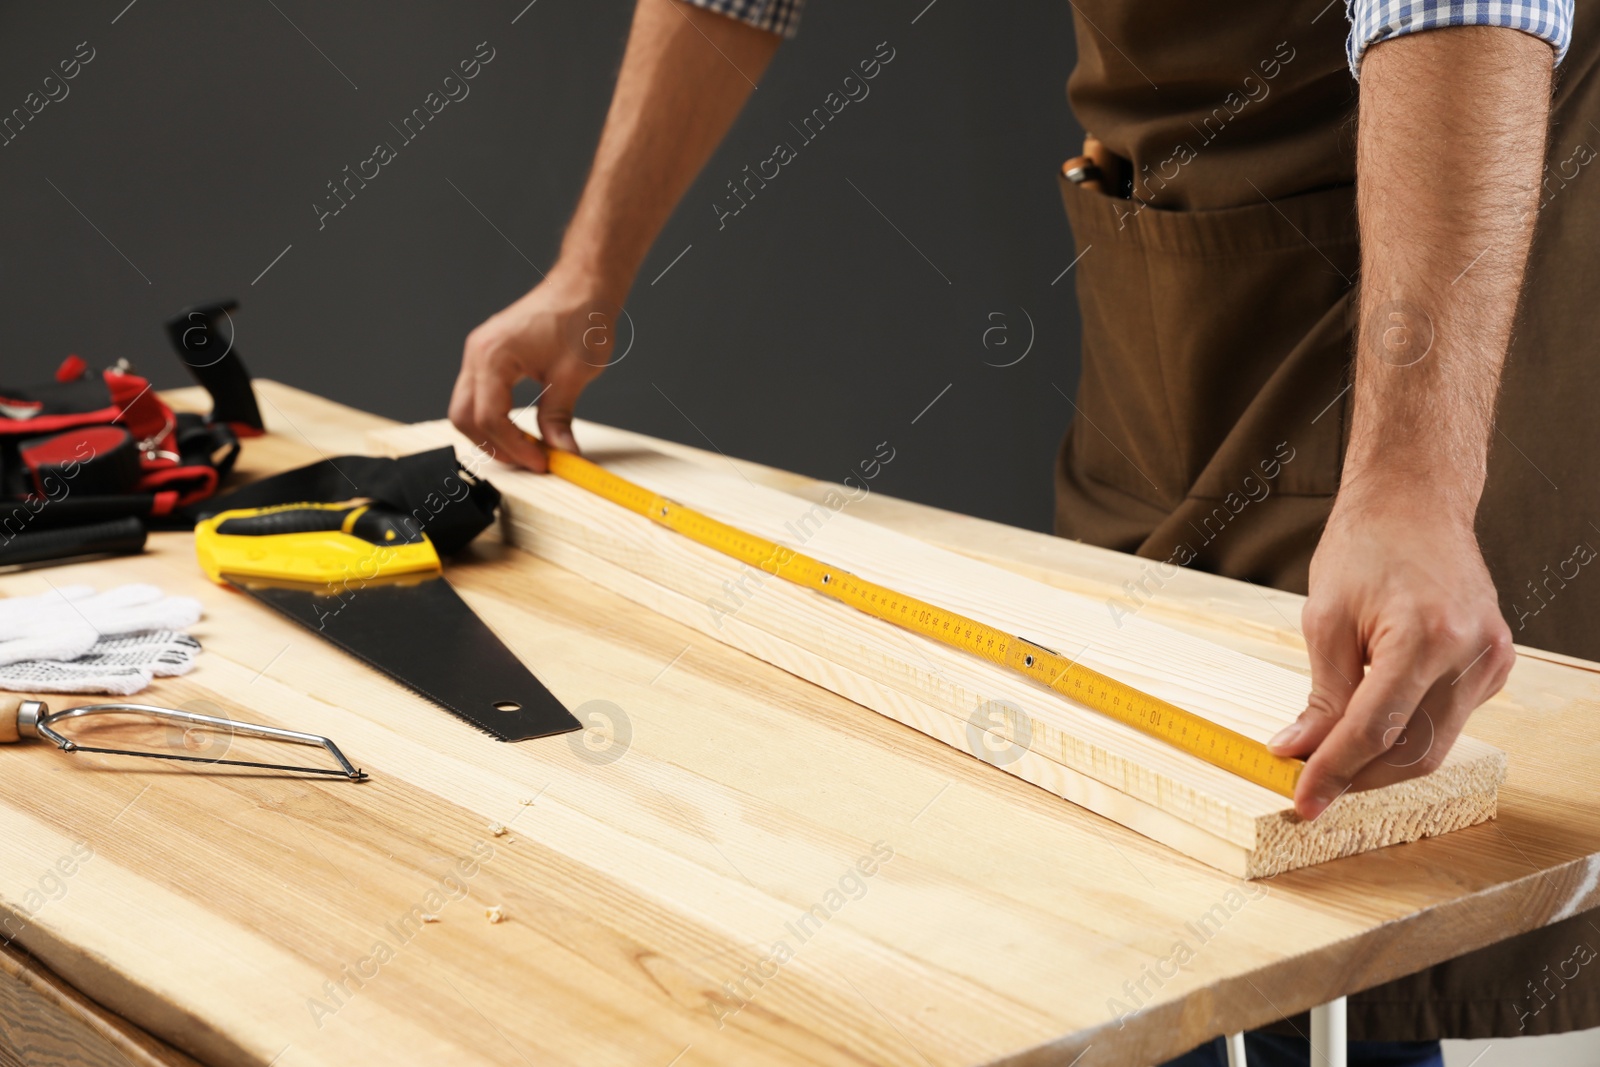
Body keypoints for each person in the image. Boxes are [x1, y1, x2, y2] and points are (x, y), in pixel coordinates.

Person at [449, 0, 1597, 1062]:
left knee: (1341, 843)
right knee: (1133, 866)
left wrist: (1414, 482)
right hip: (1189, 266)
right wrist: (587, 269)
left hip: (1444, 228)